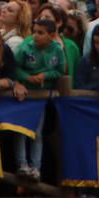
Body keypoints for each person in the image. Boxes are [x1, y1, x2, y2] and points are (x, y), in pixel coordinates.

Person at [12, 17, 66, 179]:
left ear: (51, 35)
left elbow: (60, 70)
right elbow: (15, 67)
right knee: (20, 130)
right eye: (35, 31)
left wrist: (45, 75)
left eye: (41, 33)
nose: (36, 35)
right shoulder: (26, 47)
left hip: (40, 98)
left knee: (37, 132)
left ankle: (36, 168)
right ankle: (22, 164)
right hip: (23, 95)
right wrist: (26, 78)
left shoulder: (57, 50)